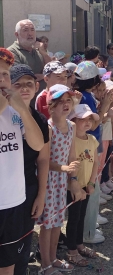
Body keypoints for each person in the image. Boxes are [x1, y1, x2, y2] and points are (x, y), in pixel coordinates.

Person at [0, 48, 44, 275]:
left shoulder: (15, 112)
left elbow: (38, 146)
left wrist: (22, 111)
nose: (2, 80)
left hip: (13, 202)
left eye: (5, 74)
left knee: (7, 266)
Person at [37, 84, 83, 275]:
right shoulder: (48, 128)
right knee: (47, 224)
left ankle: (54, 257)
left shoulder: (71, 126)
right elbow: (44, 160)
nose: (66, 104)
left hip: (62, 181)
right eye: (60, 101)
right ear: (51, 105)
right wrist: (63, 168)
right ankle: (45, 263)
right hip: (48, 181)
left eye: (68, 101)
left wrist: (73, 178)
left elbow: (72, 154)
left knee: (57, 222)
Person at [9, 64, 50, 275]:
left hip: (28, 189)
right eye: (18, 85)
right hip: (5, 193)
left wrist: (41, 195)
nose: (24, 89)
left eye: (29, 84)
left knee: (24, 244)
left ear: (36, 87)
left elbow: (43, 160)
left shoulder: (41, 120)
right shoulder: (3, 118)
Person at [74, 61, 112, 243]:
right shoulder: (86, 97)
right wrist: (105, 105)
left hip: (89, 144)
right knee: (91, 187)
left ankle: (90, 225)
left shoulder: (83, 95)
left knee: (92, 186)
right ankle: (88, 232)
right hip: (88, 146)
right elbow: (93, 123)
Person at [66, 104, 100, 266]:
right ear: (72, 121)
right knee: (73, 218)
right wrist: (75, 184)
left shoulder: (92, 140)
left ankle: (79, 243)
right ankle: (71, 249)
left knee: (81, 217)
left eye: (90, 119)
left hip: (86, 185)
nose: (87, 123)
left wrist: (92, 182)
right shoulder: (70, 140)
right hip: (73, 187)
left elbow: (95, 163)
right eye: (82, 119)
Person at [7, 19, 51, 84]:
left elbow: (52, 70)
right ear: (17, 34)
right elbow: (22, 78)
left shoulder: (39, 50)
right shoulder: (11, 52)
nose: (30, 33)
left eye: (32, 30)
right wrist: (45, 76)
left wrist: (44, 53)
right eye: (25, 30)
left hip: (43, 93)